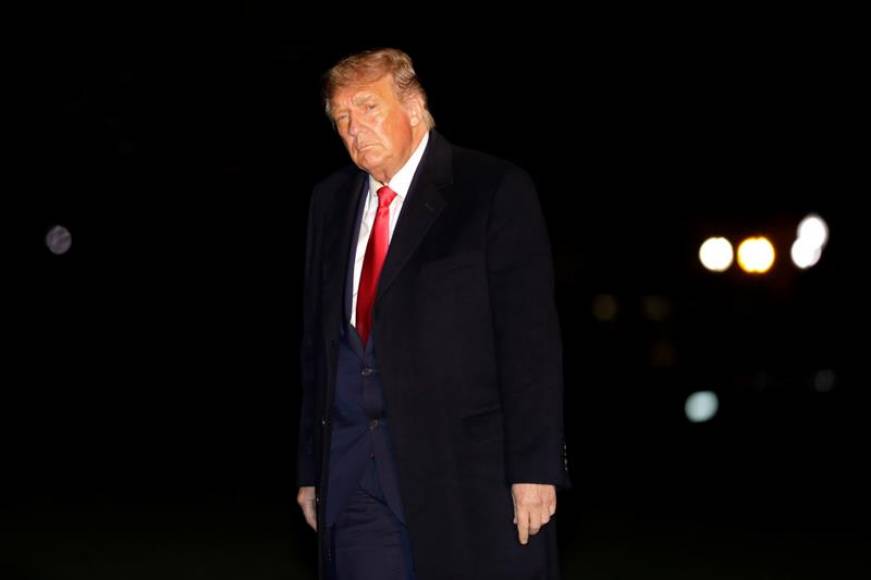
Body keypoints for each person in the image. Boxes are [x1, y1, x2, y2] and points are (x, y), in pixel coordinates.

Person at [296, 47, 570, 580]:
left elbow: (529, 340)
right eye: (342, 118)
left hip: (464, 476)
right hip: (354, 477)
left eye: (369, 108)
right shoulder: (329, 203)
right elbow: (316, 347)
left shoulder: (491, 188)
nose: (355, 128)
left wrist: (534, 468)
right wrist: (312, 468)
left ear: (416, 107)